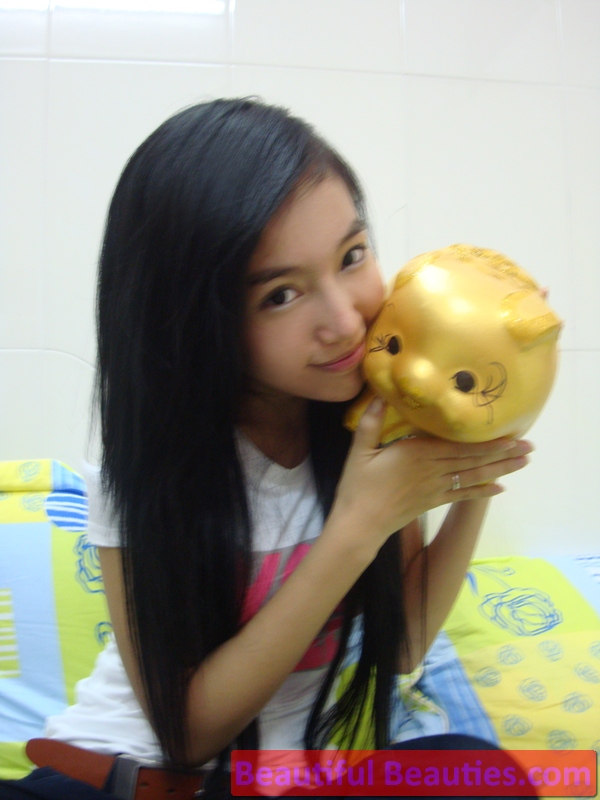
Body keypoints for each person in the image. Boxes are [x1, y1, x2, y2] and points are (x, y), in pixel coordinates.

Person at [4, 98, 535, 800]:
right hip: (127, 774)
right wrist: (357, 524)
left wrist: (471, 467)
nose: (344, 321)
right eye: (281, 295)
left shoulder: (374, 429)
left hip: (284, 782)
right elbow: (187, 735)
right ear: (195, 320)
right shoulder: (147, 472)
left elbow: (404, 644)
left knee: (476, 773)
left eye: (352, 256)